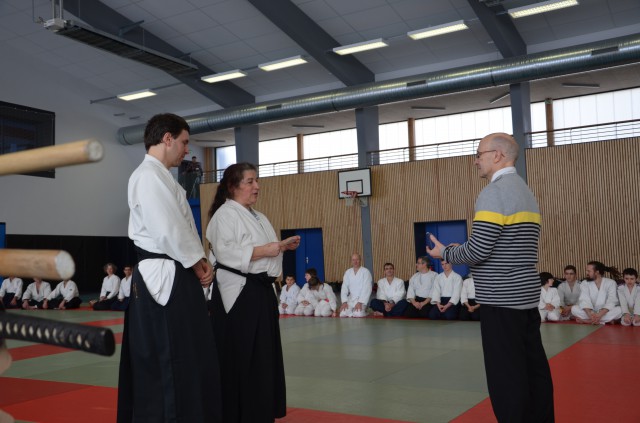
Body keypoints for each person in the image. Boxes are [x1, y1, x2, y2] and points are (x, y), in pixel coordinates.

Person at [427, 132, 554, 422]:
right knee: (533, 371)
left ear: (497, 155)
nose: (476, 161)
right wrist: (465, 248)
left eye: (479, 154)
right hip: (524, 298)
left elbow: (479, 250)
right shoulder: (525, 191)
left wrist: (445, 253)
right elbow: (506, 243)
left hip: (501, 300)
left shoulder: (493, 193)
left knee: (506, 377)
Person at [118, 113, 221, 423]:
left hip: (176, 270)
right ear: (167, 138)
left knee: (188, 355)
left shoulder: (161, 176)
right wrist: (199, 262)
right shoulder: (148, 176)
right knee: (170, 357)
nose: (186, 150)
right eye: (184, 142)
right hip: (164, 276)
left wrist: (195, 261)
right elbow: (167, 229)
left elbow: (178, 228)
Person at [206, 162, 300, 422]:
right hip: (239, 294)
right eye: (250, 181)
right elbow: (225, 253)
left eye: (256, 180)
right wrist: (266, 250)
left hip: (262, 291)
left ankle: (260, 411)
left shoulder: (259, 216)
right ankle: (239, 414)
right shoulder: (224, 215)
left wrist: (280, 246)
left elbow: (266, 249)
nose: (256, 186)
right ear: (232, 186)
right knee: (242, 357)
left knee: (263, 357)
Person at [339, 253, 373, 318]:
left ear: (360, 260)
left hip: (362, 300)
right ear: (351, 261)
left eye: (357, 259)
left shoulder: (365, 272)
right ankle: (352, 311)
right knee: (342, 314)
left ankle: (365, 312)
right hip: (351, 299)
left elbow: (367, 288)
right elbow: (344, 287)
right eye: (353, 260)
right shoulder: (348, 272)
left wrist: (360, 302)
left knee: (358, 314)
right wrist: (344, 302)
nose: (355, 262)